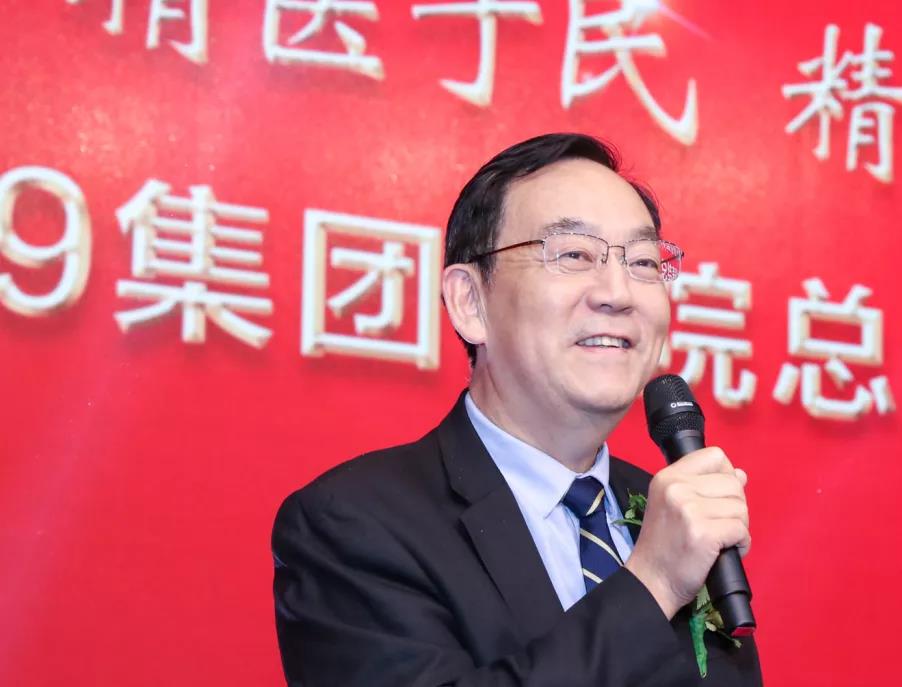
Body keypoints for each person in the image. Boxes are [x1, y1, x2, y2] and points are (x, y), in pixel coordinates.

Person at [272, 133, 762, 686]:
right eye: (574, 255)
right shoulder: (354, 523)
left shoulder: (668, 517)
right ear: (470, 301)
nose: (619, 292)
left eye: (644, 261)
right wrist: (652, 585)